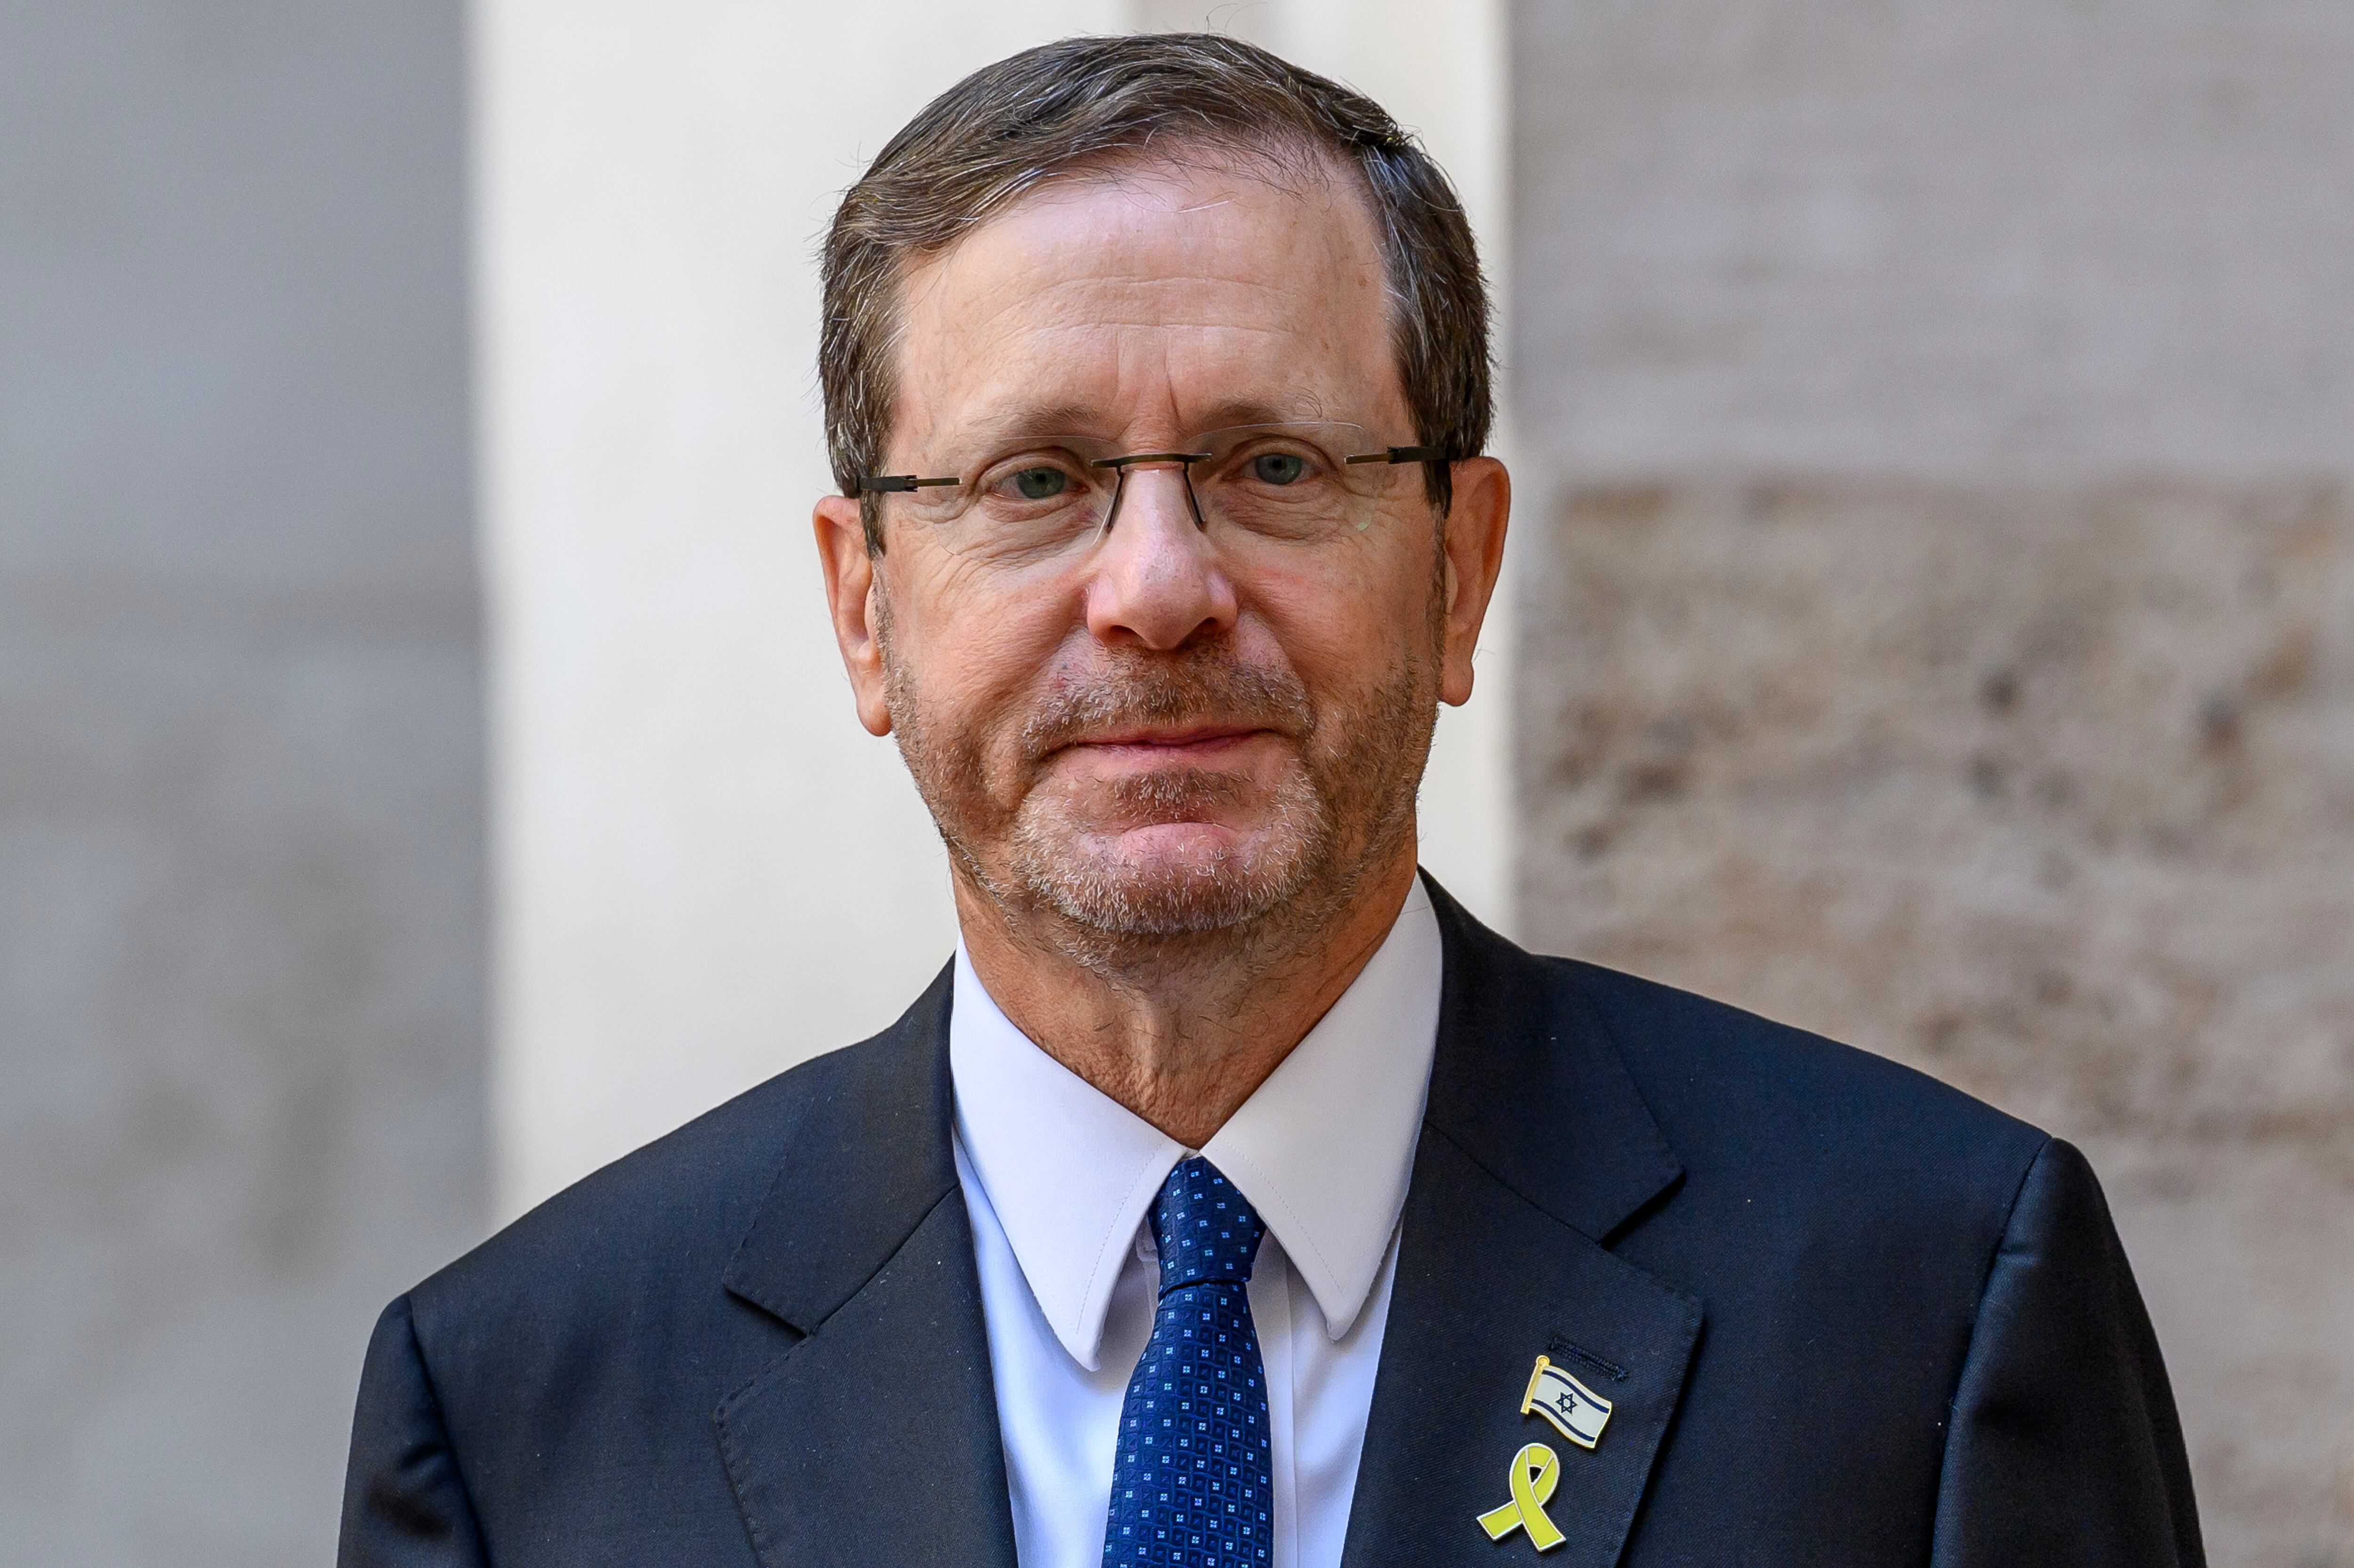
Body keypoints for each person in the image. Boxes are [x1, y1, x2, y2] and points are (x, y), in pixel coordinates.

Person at [338, 33, 2202, 1568]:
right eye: (1037, 479)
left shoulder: (1923, 1295)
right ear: (863, 607)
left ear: (1456, 566)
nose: (1153, 585)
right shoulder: (525, 1406)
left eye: (1271, 461)